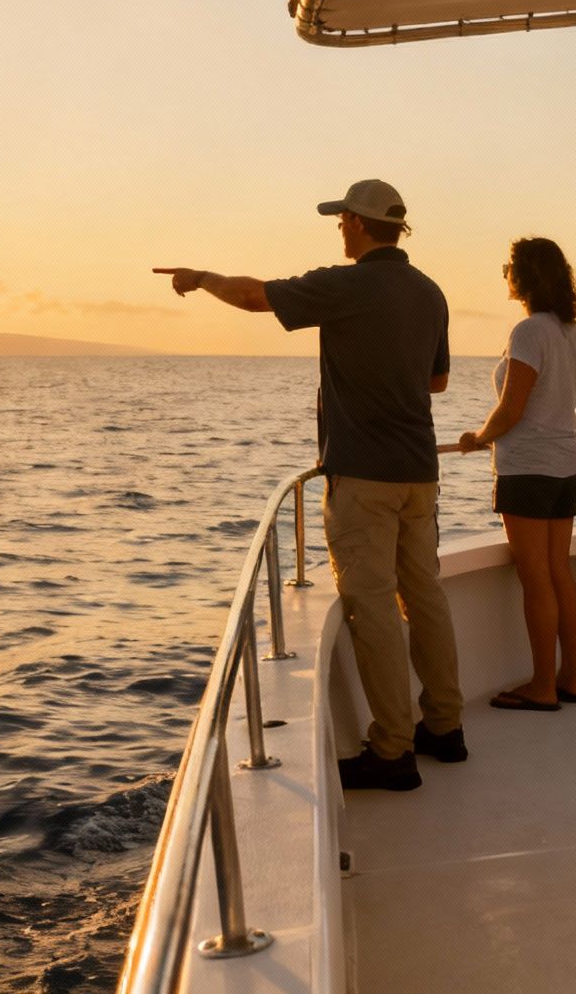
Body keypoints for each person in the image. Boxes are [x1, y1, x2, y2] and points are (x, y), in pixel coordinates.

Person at [154, 178, 462, 792]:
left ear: (358, 223)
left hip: (364, 474)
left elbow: (251, 297)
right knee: (424, 594)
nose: (338, 229)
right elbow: (437, 383)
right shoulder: (430, 292)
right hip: (419, 473)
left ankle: (394, 750)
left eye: (342, 219)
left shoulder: (345, 285)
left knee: (371, 604)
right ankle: (445, 728)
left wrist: (200, 276)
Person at [459, 238, 576, 711]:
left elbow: (512, 408)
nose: (505, 274)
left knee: (536, 577)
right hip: (566, 465)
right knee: (559, 572)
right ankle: (571, 678)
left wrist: (478, 436)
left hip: (528, 468)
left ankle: (542, 686)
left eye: (509, 267)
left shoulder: (528, 332)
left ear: (525, 276)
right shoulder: (573, 331)